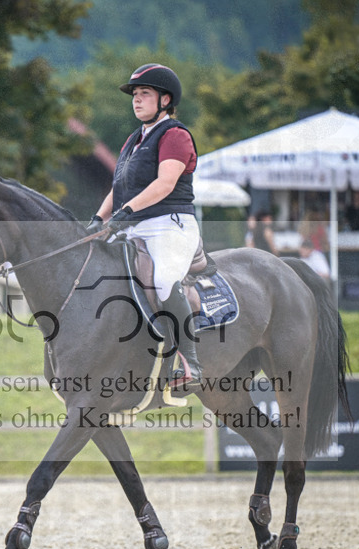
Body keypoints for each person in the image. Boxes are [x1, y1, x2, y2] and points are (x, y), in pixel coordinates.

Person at [87, 63, 202, 387]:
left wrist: (126, 210)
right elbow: (119, 186)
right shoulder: (134, 139)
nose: (136, 100)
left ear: (165, 100)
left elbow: (165, 183)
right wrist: (98, 219)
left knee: (164, 281)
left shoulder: (175, 135)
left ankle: (189, 364)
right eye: (135, 95)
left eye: (144, 94)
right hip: (132, 225)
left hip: (169, 224)